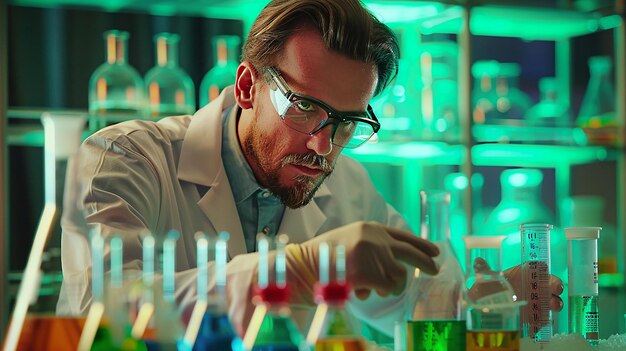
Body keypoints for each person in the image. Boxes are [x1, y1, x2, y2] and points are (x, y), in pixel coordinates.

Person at [58, 0, 563, 338]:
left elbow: (414, 304)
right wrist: (299, 269)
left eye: (346, 122)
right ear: (247, 86)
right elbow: (99, 318)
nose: (323, 144)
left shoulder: (346, 184)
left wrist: (489, 299)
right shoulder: (123, 160)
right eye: (303, 106)